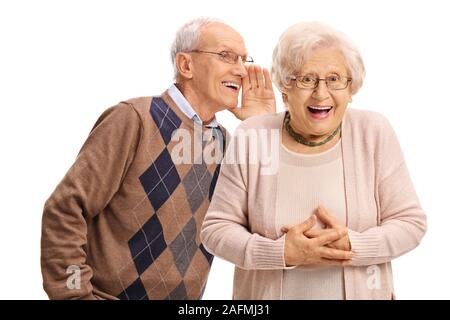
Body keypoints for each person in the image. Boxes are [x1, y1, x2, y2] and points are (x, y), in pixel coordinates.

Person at [41, 17, 275, 300]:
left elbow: (263, 225)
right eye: (226, 56)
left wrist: (262, 127)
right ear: (186, 65)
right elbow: (65, 209)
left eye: (243, 59)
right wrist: (74, 294)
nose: (241, 71)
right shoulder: (134, 119)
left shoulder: (226, 142)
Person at [201, 21, 427, 299]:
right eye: (307, 79)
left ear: (350, 88)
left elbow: (410, 223)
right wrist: (281, 252)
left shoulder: (373, 132)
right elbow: (216, 230)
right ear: (285, 88)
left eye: (334, 79)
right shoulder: (252, 136)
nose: (321, 94)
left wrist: (352, 245)